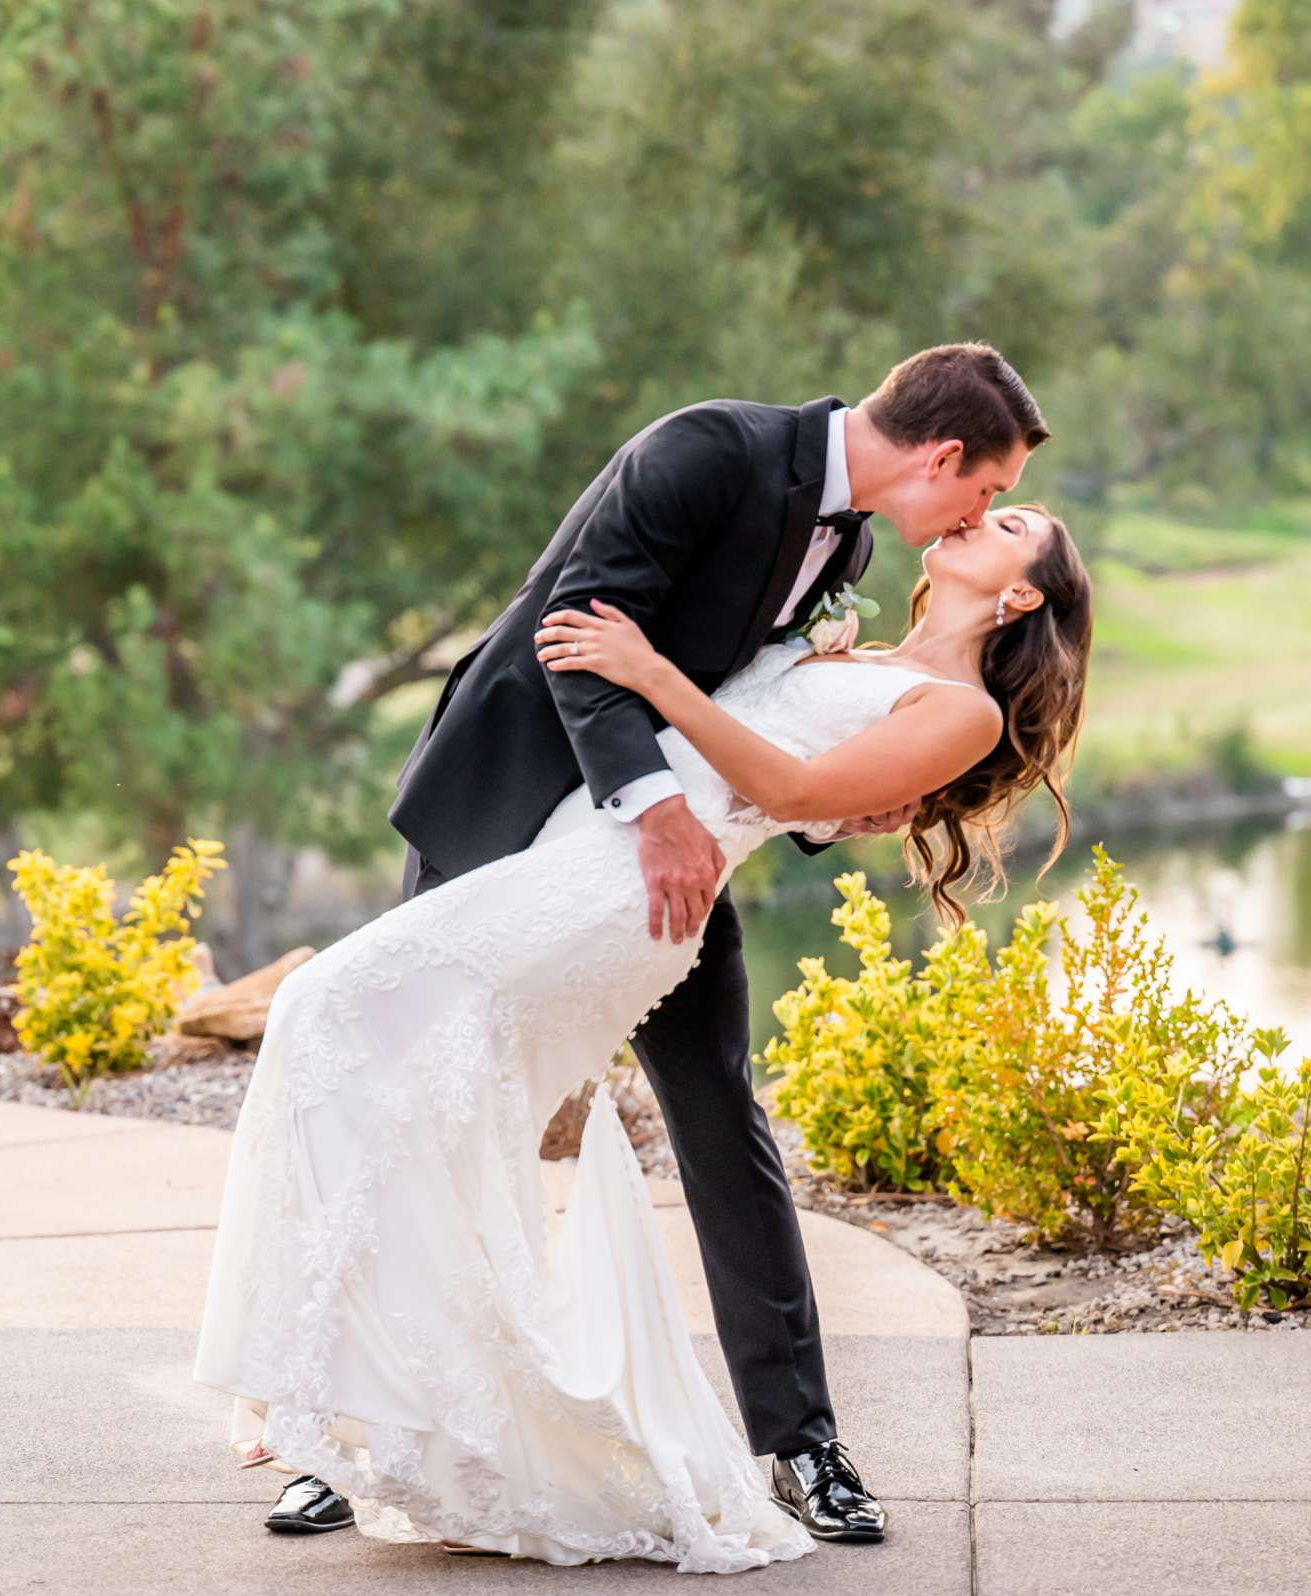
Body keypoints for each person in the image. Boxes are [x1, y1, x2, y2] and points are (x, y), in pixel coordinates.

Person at [193, 347, 1092, 1570]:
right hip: (524, 803)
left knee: (718, 1109)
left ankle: (804, 1442)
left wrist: (816, 809)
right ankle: (339, 1434)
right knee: (414, 1084)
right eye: (984, 495)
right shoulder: (707, 451)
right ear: (942, 459)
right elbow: (576, 633)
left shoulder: (856, 553)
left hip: (664, 866)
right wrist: (660, 807)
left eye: (997, 519)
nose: (978, 517)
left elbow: (776, 733)